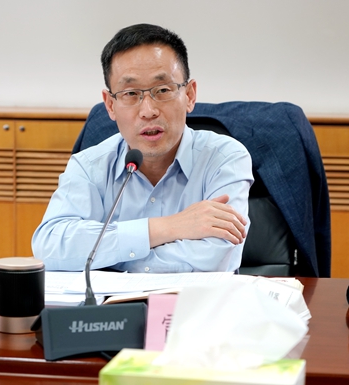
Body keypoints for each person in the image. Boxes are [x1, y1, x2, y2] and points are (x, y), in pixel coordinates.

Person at [32, 23, 253, 273]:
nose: (148, 111)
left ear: (190, 95)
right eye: (130, 93)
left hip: (193, 299)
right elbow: (50, 246)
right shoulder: (89, 166)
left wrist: (107, 257)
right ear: (110, 105)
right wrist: (170, 227)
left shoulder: (224, 159)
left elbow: (213, 259)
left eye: (163, 90)